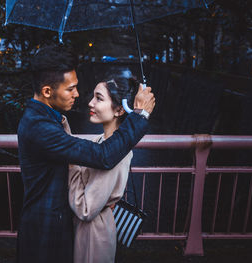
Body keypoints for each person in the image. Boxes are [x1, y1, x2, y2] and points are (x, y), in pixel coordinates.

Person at [16, 44, 155, 263]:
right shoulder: (40, 128)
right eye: (70, 89)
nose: (78, 94)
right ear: (47, 91)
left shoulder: (46, 119)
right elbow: (103, 156)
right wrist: (141, 116)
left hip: (53, 223)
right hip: (46, 230)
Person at [68, 76, 139, 263]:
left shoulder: (114, 153)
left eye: (99, 98)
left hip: (93, 233)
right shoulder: (101, 142)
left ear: (119, 110)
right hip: (91, 228)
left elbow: (86, 209)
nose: (90, 103)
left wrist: (72, 165)